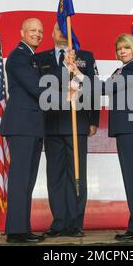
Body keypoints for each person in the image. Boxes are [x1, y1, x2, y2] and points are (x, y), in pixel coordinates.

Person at [69, 34, 133, 241]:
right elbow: (101, 86)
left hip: (131, 129)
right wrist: (77, 74)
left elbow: (105, 88)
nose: (122, 51)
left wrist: (78, 79)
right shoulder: (122, 69)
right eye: (119, 48)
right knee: (131, 179)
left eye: (126, 48)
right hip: (126, 130)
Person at [36, 22, 100, 238]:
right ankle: (59, 222)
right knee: (55, 176)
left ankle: (75, 223)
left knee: (77, 175)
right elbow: (41, 87)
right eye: (57, 29)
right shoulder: (41, 58)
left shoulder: (85, 56)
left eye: (65, 28)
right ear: (52, 34)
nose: (62, 32)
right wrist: (64, 65)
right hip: (52, 123)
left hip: (78, 122)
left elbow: (93, 86)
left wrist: (94, 120)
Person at [0, 18, 46, 243]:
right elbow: (36, 88)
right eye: (32, 30)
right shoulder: (19, 56)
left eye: (40, 31)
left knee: (27, 180)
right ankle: (16, 231)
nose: (37, 34)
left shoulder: (31, 57)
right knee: (20, 179)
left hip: (33, 126)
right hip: (22, 125)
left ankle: (22, 228)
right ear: (22, 32)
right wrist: (65, 93)